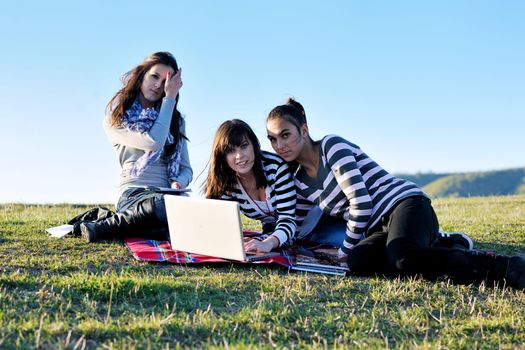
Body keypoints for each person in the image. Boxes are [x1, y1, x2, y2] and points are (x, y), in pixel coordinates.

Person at [265, 98, 525, 288]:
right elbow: (294, 223)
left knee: (402, 258)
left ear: (304, 130)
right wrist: (265, 244)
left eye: (285, 135)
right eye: (273, 139)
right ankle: (443, 244)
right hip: (378, 229)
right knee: (359, 263)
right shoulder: (296, 178)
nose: (280, 145)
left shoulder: (331, 147)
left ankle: (503, 266)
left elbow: (362, 203)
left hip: (405, 204)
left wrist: (344, 248)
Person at [80, 52, 192, 242]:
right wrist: (170, 99)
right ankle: (106, 227)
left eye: (165, 81)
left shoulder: (176, 120)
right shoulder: (116, 119)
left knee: (193, 216)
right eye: (154, 76)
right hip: (134, 194)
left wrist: (179, 182)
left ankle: (125, 228)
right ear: (142, 75)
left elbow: (186, 168)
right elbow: (153, 141)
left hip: (168, 195)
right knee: (161, 207)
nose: (158, 85)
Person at [204, 119, 297, 253]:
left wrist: (267, 243)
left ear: (254, 144)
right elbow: (222, 225)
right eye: (230, 151)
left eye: (244, 146)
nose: (239, 156)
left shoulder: (276, 168)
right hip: (277, 232)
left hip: (309, 225)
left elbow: (288, 220)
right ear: (222, 156)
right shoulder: (227, 183)